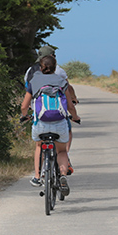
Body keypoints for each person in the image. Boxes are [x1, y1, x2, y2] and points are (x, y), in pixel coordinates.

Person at [20, 54, 80, 193]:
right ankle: (63, 176)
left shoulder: (34, 81)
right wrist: (75, 117)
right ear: (55, 67)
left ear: (41, 67)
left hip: (40, 123)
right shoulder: (61, 81)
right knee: (62, 151)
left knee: (39, 146)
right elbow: (70, 106)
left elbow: (24, 106)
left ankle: (37, 176)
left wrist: (25, 116)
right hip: (59, 123)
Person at [24, 46, 80, 157]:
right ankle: (65, 158)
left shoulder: (30, 71)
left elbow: (27, 89)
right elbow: (68, 87)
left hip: (38, 110)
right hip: (58, 112)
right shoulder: (58, 70)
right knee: (67, 131)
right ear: (52, 56)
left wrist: (27, 110)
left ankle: (38, 172)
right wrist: (74, 99)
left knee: (39, 144)